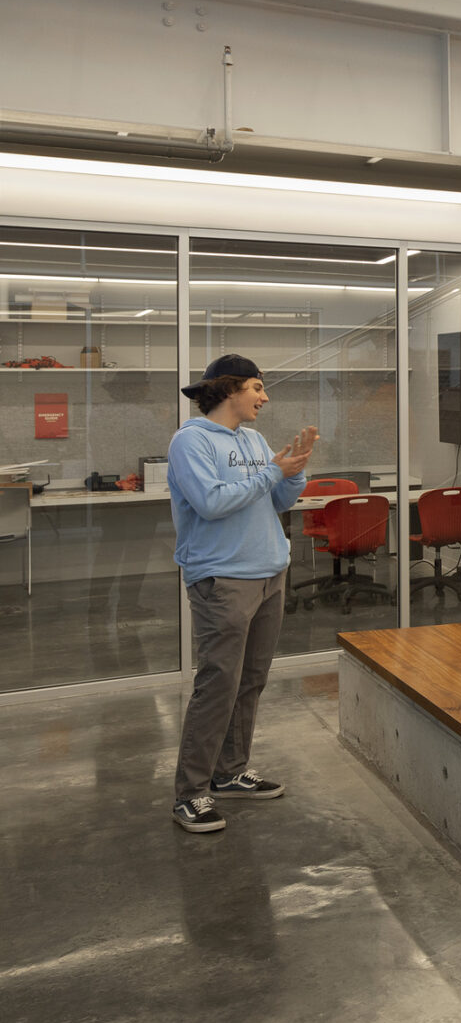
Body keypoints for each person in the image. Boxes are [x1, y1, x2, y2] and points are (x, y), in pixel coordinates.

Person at [167, 354, 318, 834]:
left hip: (270, 572)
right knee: (218, 685)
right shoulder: (190, 441)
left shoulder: (252, 439)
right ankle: (191, 793)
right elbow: (211, 503)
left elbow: (276, 500)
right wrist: (272, 474)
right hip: (222, 578)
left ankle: (229, 772)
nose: (264, 397)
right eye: (256, 386)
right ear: (229, 389)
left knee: (250, 680)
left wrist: (292, 473)